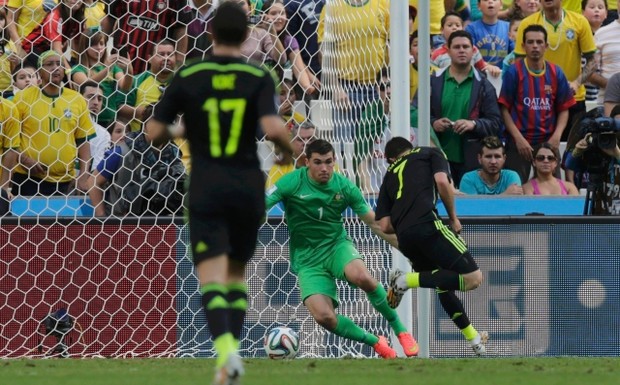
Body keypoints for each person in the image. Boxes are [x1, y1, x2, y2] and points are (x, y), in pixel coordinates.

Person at [146, 3, 293, 384]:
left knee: (211, 278)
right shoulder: (258, 74)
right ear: (247, 36)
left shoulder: (189, 73)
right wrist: (286, 152)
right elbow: (275, 129)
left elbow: (154, 134)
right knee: (237, 275)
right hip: (248, 184)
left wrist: (180, 131)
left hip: (207, 184)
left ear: (209, 34)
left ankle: (226, 353)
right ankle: (228, 362)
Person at [266, 139, 420, 359]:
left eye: (329, 162)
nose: (324, 168)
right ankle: (376, 342)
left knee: (363, 277)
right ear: (306, 162)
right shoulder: (290, 183)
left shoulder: (344, 187)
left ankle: (401, 330)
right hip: (308, 259)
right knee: (324, 317)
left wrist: (409, 250)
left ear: (334, 161)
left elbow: (375, 223)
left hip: (336, 246)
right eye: (318, 162)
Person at [375, 136, 488, 356]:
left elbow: (385, 225)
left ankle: (474, 340)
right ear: (410, 148)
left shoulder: (388, 176)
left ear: (390, 159)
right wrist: (453, 217)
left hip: (406, 238)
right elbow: (443, 182)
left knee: (442, 284)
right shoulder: (428, 153)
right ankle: (404, 280)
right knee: (472, 278)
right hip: (428, 224)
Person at [12, 50, 96, 196]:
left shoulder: (76, 99)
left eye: (59, 64)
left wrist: (83, 174)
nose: (56, 68)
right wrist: (24, 160)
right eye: (49, 64)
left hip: (65, 181)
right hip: (28, 178)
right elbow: (9, 139)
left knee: (61, 219)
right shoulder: (22, 98)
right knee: (28, 219)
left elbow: (83, 141)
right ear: (39, 72)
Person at [499, 24, 576, 183]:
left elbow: (564, 108)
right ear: (523, 45)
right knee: (516, 191)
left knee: (554, 192)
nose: (535, 46)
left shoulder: (556, 72)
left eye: (539, 42)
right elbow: (504, 108)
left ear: (546, 46)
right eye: (530, 42)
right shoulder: (514, 72)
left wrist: (556, 136)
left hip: (548, 141)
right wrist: (518, 139)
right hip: (519, 142)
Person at [514, 0, 597, 142]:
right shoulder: (527, 23)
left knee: (573, 152)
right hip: (538, 100)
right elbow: (518, 63)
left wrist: (577, 83)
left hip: (572, 98)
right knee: (542, 154)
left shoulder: (579, 21)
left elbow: (592, 61)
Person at [428, 30, 502, 187]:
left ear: (473, 51)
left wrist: (473, 124)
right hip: (436, 159)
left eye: (465, 46)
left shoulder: (484, 85)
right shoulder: (432, 82)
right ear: (448, 51)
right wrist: (434, 123)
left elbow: (495, 123)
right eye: (456, 47)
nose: (461, 50)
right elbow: (416, 114)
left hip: (472, 162)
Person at [459, 135, 523, 195]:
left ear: (504, 158)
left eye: (497, 156)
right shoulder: (468, 179)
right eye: (488, 156)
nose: (493, 161)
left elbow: (514, 205)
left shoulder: (511, 176)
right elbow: (472, 206)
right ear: (479, 158)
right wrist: (504, 195)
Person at [266, 120, 316, 188]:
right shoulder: (279, 168)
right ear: (292, 142)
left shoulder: (328, 165)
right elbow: (270, 196)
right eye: (300, 139)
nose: (306, 143)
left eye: (311, 139)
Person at [79, 80, 110, 172]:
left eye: (100, 99)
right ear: (79, 98)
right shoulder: (66, 124)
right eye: (91, 97)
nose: (96, 102)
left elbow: (96, 171)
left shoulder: (103, 134)